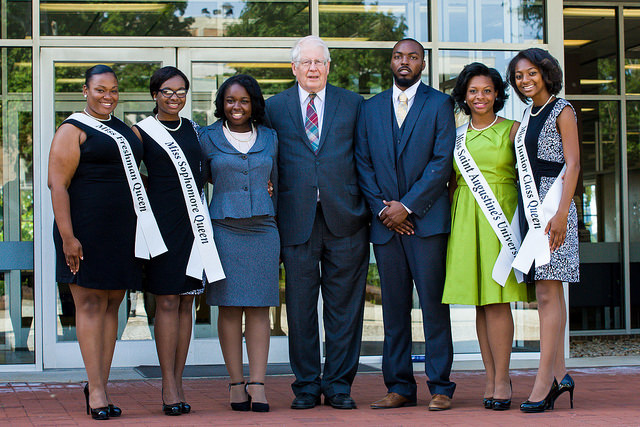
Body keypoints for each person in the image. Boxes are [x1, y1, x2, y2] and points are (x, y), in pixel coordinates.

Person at [265, 35, 370, 410]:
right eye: (305, 62)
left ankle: (339, 384)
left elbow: (367, 158)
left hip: (347, 220)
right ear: (293, 68)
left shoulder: (354, 104)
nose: (312, 68)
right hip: (296, 222)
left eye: (319, 62)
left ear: (328, 67)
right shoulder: (272, 108)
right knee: (300, 308)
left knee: (345, 309)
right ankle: (307, 385)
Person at [355, 38, 456, 411]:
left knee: (433, 307)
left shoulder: (440, 104)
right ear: (391, 61)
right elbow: (362, 162)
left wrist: (408, 207)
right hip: (386, 226)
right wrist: (386, 211)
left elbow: (441, 161)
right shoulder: (370, 108)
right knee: (393, 310)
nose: (405, 62)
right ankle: (399, 386)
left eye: (412, 57)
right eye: (399, 56)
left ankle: (441, 387)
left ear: (422, 64)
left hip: (426, 224)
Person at [48, 65, 152, 420]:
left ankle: (100, 384)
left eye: (113, 90)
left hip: (121, 232)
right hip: (85, 230)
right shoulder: (72, 129)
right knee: (90, 307)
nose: (107, 96)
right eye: (100, 89)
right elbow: (57, 185)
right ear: (85, 91)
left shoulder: (124, 130)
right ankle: (95, 391)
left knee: (112, 307)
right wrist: (67, 237)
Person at [441, 62, 535, 411]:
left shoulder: (513, 130)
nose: (480, 97)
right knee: (480, 302)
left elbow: (529, 179)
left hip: (502, 219)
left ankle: (502, 378)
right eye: (473, 91)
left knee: (497, 299)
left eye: (487, 90)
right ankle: (491, 376)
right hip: (466, 217)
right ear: (464, 97)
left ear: (497, 94)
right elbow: (451, 183)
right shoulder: (456, 135)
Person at [199, 74, 279, 413]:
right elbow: (192, 181)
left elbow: (279, 177)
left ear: (254, 104)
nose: (237, 106)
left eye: (243, 100)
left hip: (264, 229)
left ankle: (258, 385)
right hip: (224, 230)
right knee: (229, 307)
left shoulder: (272, 137)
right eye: (231, 100)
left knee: (260, 307)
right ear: (222, 103)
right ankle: (235, 383)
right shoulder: (207, 137)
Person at [506, 48, 580, 413]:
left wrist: (562, 213)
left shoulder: (562, 110)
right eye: (518, 75)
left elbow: (574, 163)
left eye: (531, 73)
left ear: (546, 73)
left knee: (549, 296)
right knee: (549, 296)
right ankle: (561, 374)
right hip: (532, 211)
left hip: (553, 212)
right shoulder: (527, 114)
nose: (525, 80)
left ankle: (544, 382)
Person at [131, 66, 207, 416]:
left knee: (186, 303)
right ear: (154, 94)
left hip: (194, 226)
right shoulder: (142, 132)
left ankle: (179, 379)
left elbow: (212, 165)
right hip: (160, 228)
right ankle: (167, 384)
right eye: (166, 91)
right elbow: (126, 176)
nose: (174, 97)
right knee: (165, 303)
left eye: (180, 91)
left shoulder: (193, 129)